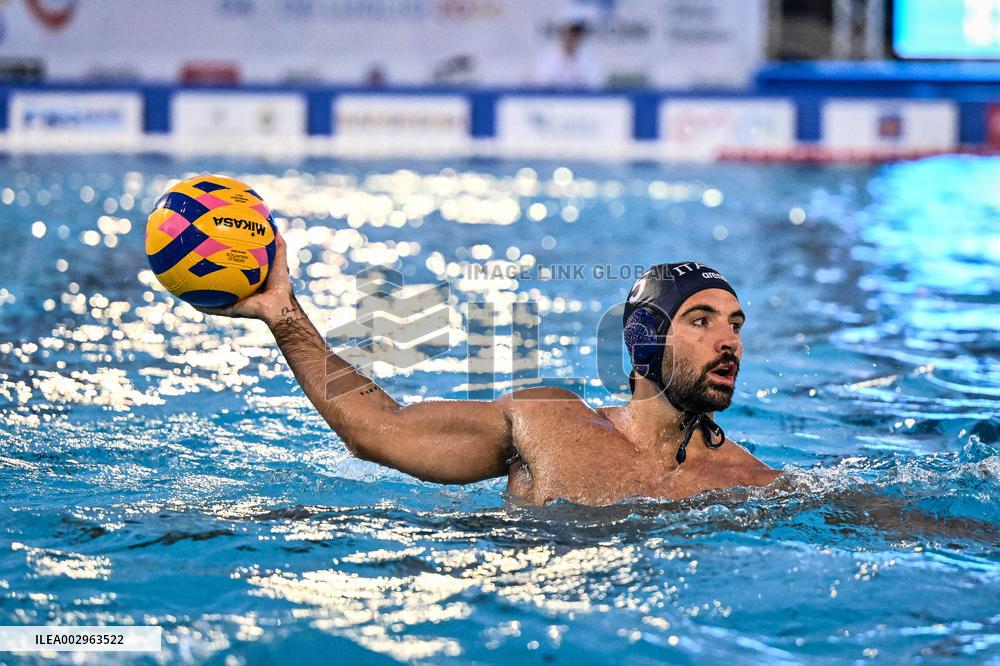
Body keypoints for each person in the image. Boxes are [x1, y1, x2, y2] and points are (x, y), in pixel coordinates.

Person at [197, 235, 781, 506]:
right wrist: (284, 315)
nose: (728, 340)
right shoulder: (548, 424)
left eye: (736, 325)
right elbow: (375, 430)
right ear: (643, 339)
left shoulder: (753, 483)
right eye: (702, 320)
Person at [531, 10, 602, 89]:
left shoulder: (588, 58)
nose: (572, 36)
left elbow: (594, 84)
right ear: (562, 32)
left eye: (577, 33)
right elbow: (542, 84)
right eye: (570, 31)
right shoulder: (548, 57)